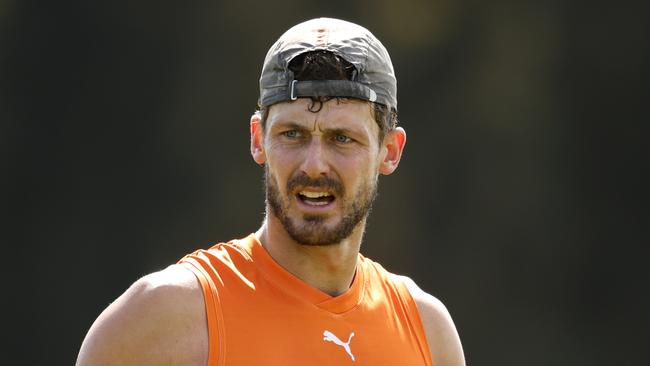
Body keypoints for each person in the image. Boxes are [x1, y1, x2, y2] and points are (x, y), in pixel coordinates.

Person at [77, 17, 465, 366]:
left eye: (342, 139)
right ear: (258, 140)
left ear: (390, 152)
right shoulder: (164, 320)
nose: (314, 165)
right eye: (292, 134)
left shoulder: (427, 335)